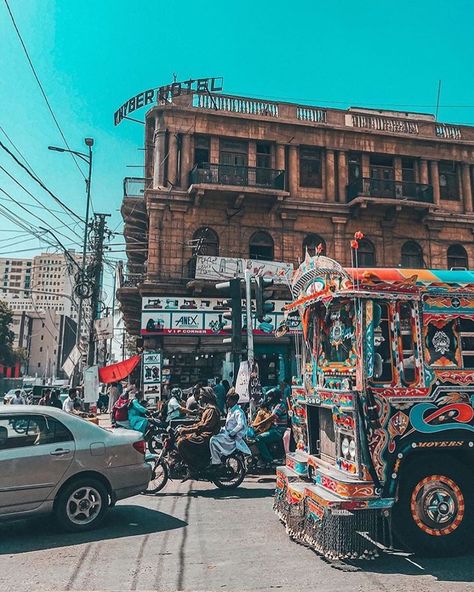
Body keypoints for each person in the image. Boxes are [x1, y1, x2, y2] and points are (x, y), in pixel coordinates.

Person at [177, 387, 221, 476]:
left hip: (206, 437)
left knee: (181, 442)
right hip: (203, 434)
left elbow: (205, 426)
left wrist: (187, 430)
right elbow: (200, 424)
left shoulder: (211, 410)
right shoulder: (207, 409)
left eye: (201, 395)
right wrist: (187, 427)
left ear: (206, 396)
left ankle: (194, 466)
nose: (200, 397)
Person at [209, 389, 251, 468]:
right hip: (227, 434)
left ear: (234, 401)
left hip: (232, 438)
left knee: (213, 440)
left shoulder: (238, 412)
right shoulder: (231, 411)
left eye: (229, 399)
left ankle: (216, 462)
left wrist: (232, 433)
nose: (227, 401)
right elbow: (228, 426)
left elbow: (241, 425)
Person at [254, 388, 288, 468]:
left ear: (275, 397)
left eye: (270, 397)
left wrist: (259, 423)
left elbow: (272, 417)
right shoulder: (273, 405)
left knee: (259, 439)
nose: (269, 399)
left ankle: (269, 460)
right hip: (273, 428)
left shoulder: (280, 405)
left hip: (278, 430)